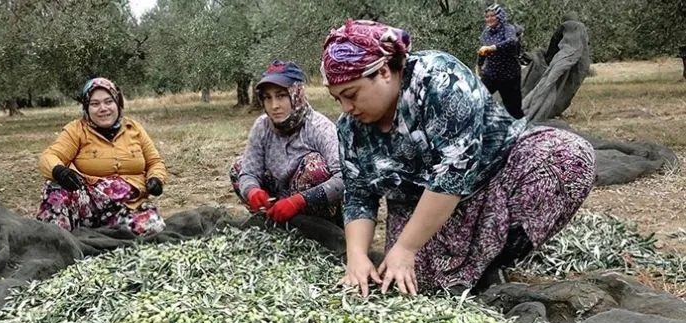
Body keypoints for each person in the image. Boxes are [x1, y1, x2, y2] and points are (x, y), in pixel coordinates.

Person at [321, 19, 595, 296]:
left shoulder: (439, 79)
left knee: (570, 160)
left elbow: (452, 173)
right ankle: (466, 268)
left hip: (496, 175)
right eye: (337, 99)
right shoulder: (350, 129)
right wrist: (356, 257)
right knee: (416, 284)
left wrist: (405, 248)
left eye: (351, 94)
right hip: (421, 209)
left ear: (383, 72)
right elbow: (358, 195)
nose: (346, 108)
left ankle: (492, 261)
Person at [36, 77, 167, 235]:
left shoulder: (134, 129)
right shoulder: (76, 130)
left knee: (154, 227)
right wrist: (59, 171)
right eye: (95, 104)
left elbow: (154, 162)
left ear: (118, 104)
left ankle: (97, 234)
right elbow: (49, 156)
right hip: (87, 205)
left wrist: (156, 178)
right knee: (54, 187)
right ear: (87, 108)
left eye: (108, 102)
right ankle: (58, 240)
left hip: (128, 204)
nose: (103, 108)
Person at [230, 60, 344, 224]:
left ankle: (315, 228)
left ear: (296, 94)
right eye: (267, 98)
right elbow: (248, 172)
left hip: (311, 207)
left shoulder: (320, 128)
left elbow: (344, 178)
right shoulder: (262, 127)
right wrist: (252, 191)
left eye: (281, 96)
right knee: (237, 168)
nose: (274, 106)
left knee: (315, 167)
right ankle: (271, 220)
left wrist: (299, 201)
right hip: (278, 199)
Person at [477, 4, 525, 119]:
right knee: (478, 99)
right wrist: (479, 65)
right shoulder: (486, 33)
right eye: (487, 17)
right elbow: (483, 51)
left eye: (492, 16)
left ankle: (521, 130)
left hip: (509, 76)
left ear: (499, 16)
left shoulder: (508, 29)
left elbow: (512, 42)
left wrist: (493, 47)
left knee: (513, 109)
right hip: (491, 75)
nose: (489, 19)